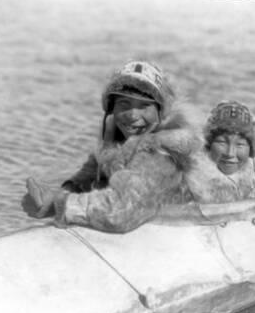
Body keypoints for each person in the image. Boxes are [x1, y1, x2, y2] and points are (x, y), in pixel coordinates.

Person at [22, 60, 201, 233]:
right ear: (111, 109)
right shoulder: (117, 141)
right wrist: (62, 192)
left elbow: (120, 213)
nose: (132, 115)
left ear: (161, 113)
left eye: (144, 106)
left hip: (174, 239)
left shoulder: (161, 154)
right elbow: (91, 173)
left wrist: (61, 204)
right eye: (124, 104)